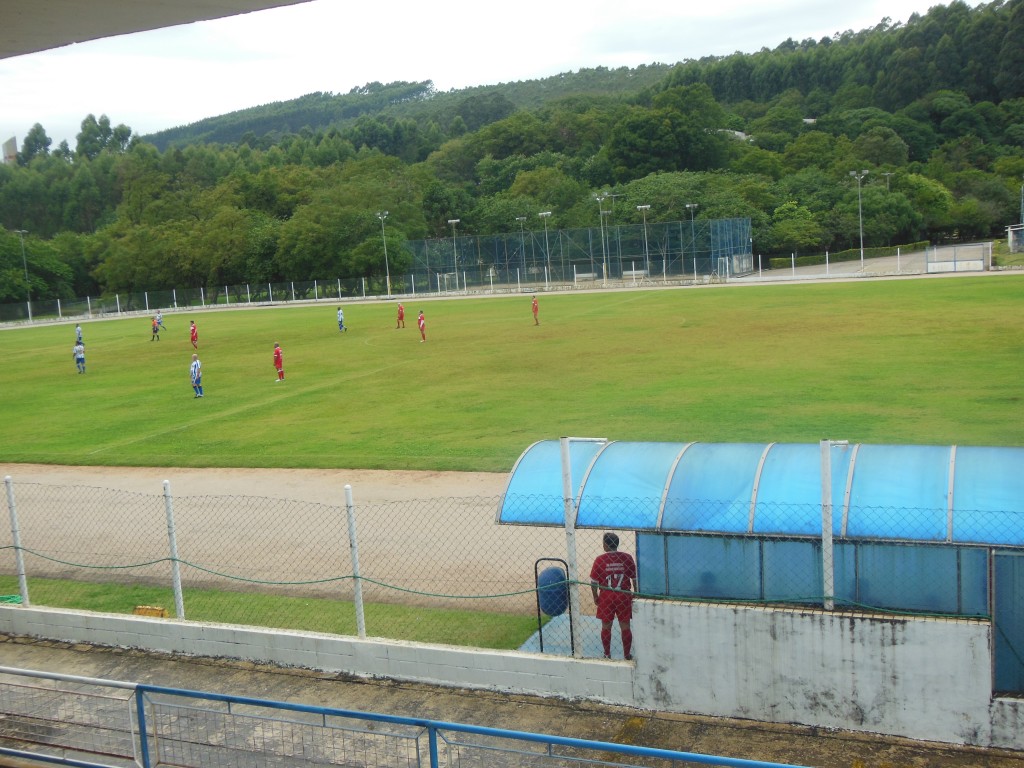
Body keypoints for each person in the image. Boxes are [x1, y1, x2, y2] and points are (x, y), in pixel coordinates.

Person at [590, 532, 637, 660]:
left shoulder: (600, 560)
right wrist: (635, 593)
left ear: (605, 544)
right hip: (623, 594)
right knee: (625, 625)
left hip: (607, 595)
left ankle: (607, 654)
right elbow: (634, 579)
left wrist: (595, 596)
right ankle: (627, 654)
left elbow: (593, 583)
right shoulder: (627, 558)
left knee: (606, 625)